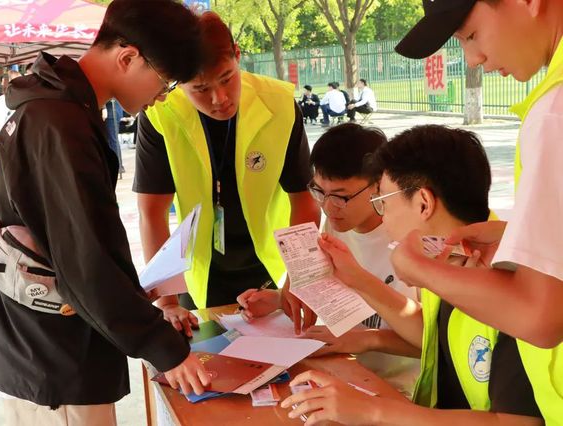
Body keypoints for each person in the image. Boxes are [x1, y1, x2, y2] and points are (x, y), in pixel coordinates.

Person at [0, 1, 211, 424]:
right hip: (51, 357)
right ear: (128, 58)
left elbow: (76, 241)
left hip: (38, 341)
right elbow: (85, 260)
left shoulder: (55, 107)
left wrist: (138, 304)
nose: (160, 97)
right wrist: (164, 348)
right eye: (164, 83)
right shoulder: (60, 124)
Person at [282, 125, 543, 426]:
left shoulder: (511, 286)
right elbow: (434, 338)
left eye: (383, 202)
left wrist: (372, 410)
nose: (383, 216)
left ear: (423, 203)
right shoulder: (455, 258)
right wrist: (355, 279)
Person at [393, 2, 563, 422]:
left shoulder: (553, 115)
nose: (473, 59)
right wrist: (520, 236)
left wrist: (419, 269)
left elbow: (540, 318)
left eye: (470, 35)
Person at [134, 11, 320, 337]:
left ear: (237, 54)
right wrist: (167, 303)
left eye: (226, 78)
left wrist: (299, 278)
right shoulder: (160, 113)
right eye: (200, 88)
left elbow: (304, 199)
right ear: (177, 80)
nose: (219, 99)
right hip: (198, 270)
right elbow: (152, 212)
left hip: (270, 264)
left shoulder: (278, 104)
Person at [238, 123, 420, 395]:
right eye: (319, 192)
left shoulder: (411, 240)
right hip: (348, 372)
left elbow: (433, 340)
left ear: (379, 185)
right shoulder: (337, 225)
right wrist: (279, 300)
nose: (327, 207)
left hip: (402, 390)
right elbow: (342, 298)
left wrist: (367, 340)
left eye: (341, 197)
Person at [0, 68, 21, 138]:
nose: (1, 83)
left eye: (2, 81)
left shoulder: (2, 99)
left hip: (8, 137)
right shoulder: (26, 97)